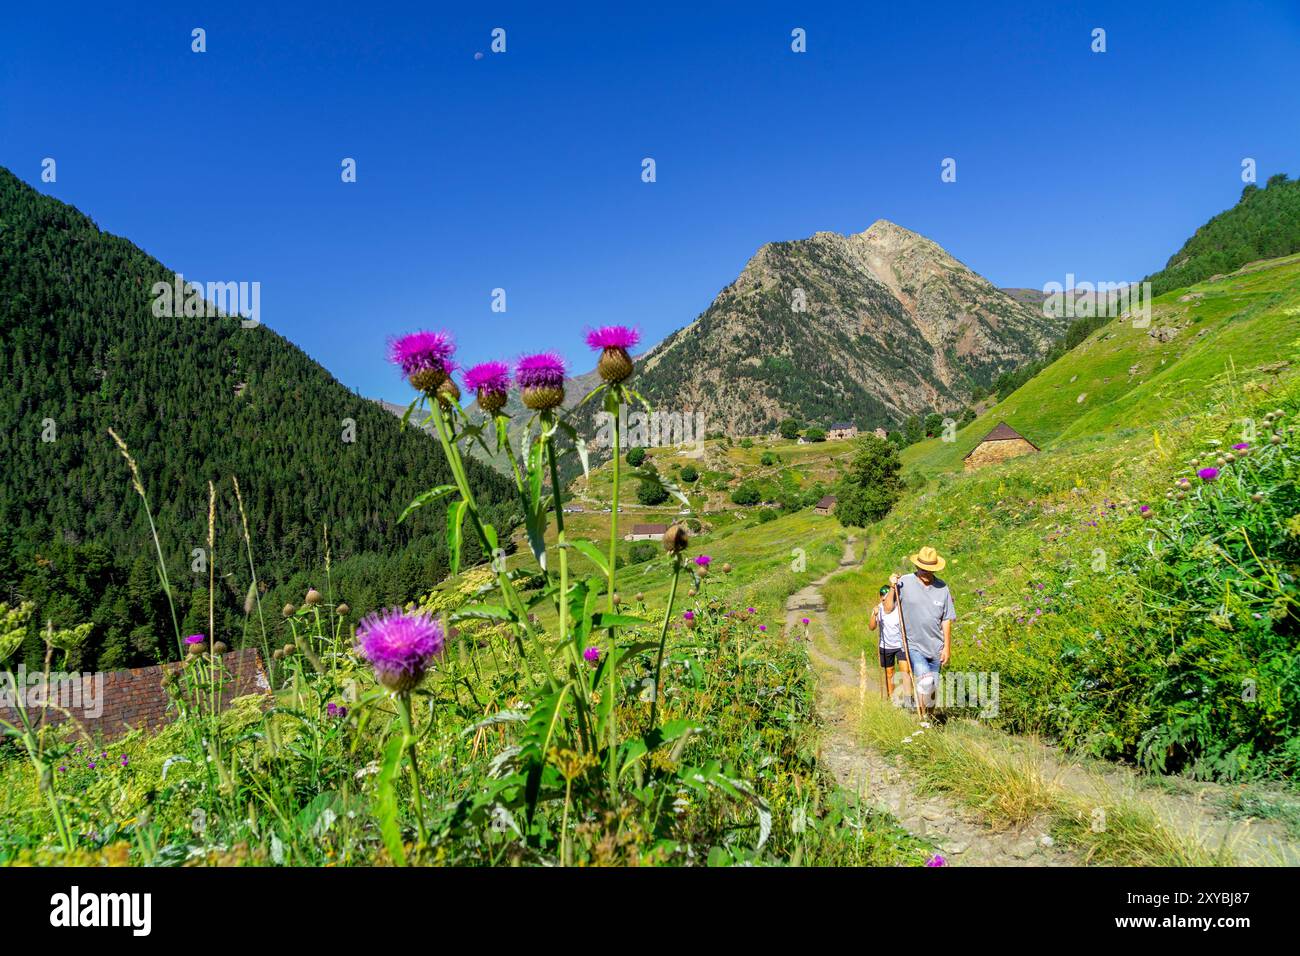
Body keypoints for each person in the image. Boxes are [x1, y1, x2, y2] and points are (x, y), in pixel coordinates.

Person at [893, 546, 955, 714]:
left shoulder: (943, 588)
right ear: (917, 567)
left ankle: (928, 718)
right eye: (923, 569)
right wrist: (892, 587)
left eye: (930, 570)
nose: (926, 573)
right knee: (925, 682)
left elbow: (947, 619)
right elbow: (889, 606)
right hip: (914, 645)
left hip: (936, 647)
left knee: (932, 690)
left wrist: (947, 648)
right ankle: (923, 720)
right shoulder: (903, 582)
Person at [867, 583, 905, 700]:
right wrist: (874, 615)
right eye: (882, 595)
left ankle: (907, 697)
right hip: (885, 645)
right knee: (890, 673)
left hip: (901, 645)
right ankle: (892, 698)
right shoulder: (878, 609)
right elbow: (872, 627)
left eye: (886, 595)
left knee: (905, 672)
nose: (884, 598)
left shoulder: (899, 608)